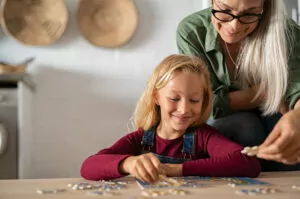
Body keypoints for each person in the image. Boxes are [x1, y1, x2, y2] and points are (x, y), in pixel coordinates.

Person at [80, 54, 261, 182]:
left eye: (194, 100)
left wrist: (179, 169)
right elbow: (88, 167)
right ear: (156, 97)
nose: (184, 109)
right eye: (174, 98)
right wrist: (128, 163)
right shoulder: (140, 139)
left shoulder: (203, 137)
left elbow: (249, 163)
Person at [176, 0, 300, 171]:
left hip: (274, 111)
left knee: (285, 132)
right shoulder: (191, 32)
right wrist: (261, 94)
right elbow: (205, 103)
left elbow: (296, 91)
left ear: (265, 8)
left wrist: (297, 117)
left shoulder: (287, 31)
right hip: (225, 119)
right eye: (225, 10)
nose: (234, 26)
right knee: (245, 126)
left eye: (249, 14)